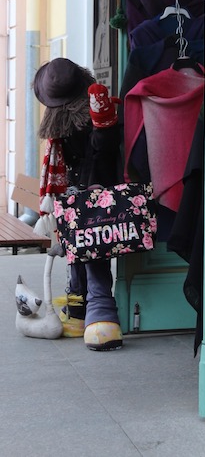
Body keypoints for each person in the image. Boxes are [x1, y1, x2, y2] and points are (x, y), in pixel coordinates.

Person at [33, 57, 123, 351]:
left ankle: (101, 310)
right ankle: (80, 304)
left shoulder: (82, 118)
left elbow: (103, 149)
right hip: (81, 192)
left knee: (91, 248)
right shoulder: (77, 117)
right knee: (79, 249)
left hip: (92, 191)